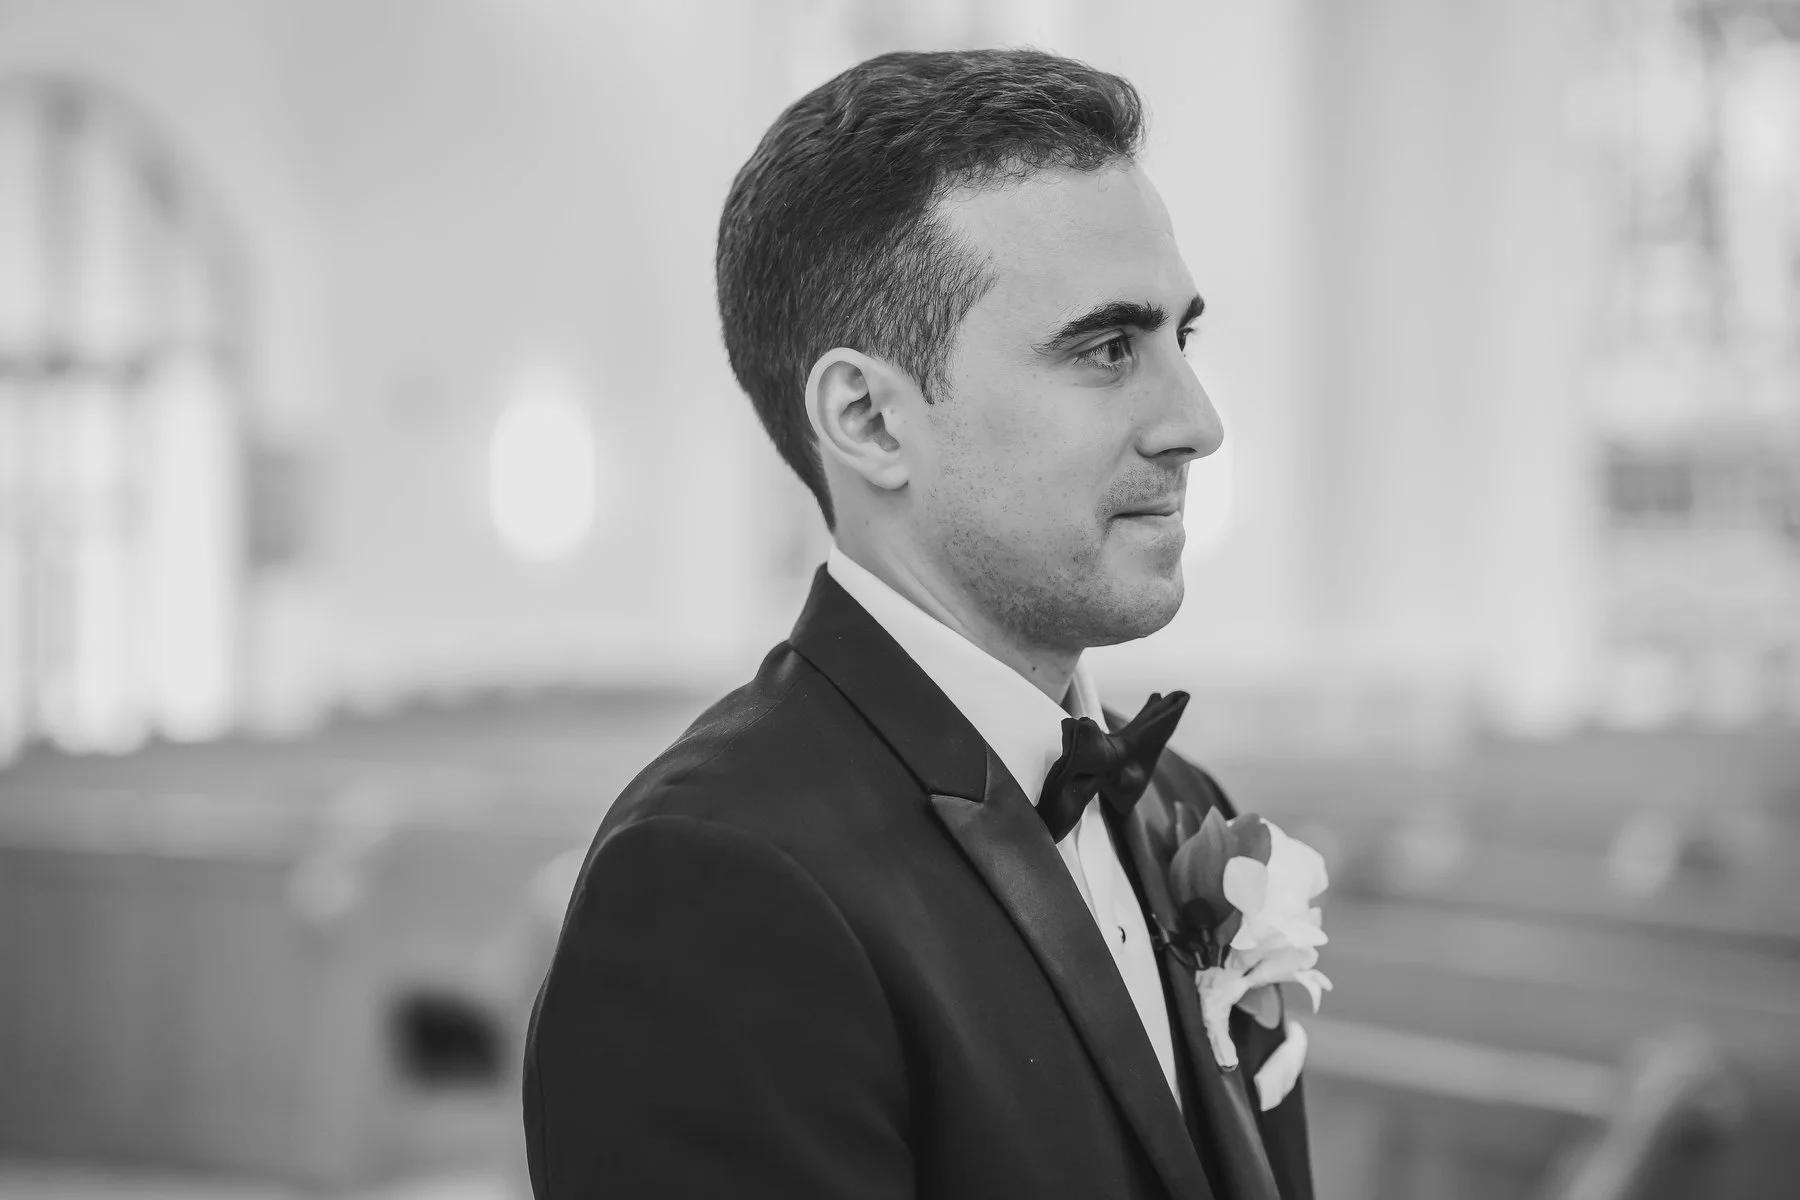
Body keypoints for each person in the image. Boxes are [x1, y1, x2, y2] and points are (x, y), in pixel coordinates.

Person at [523, 48, 1314, 1200]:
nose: (1196, 422)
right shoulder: (719, 882)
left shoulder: (1182, 806)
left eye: (1177, 341)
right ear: (869, 420)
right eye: (1107, 348)